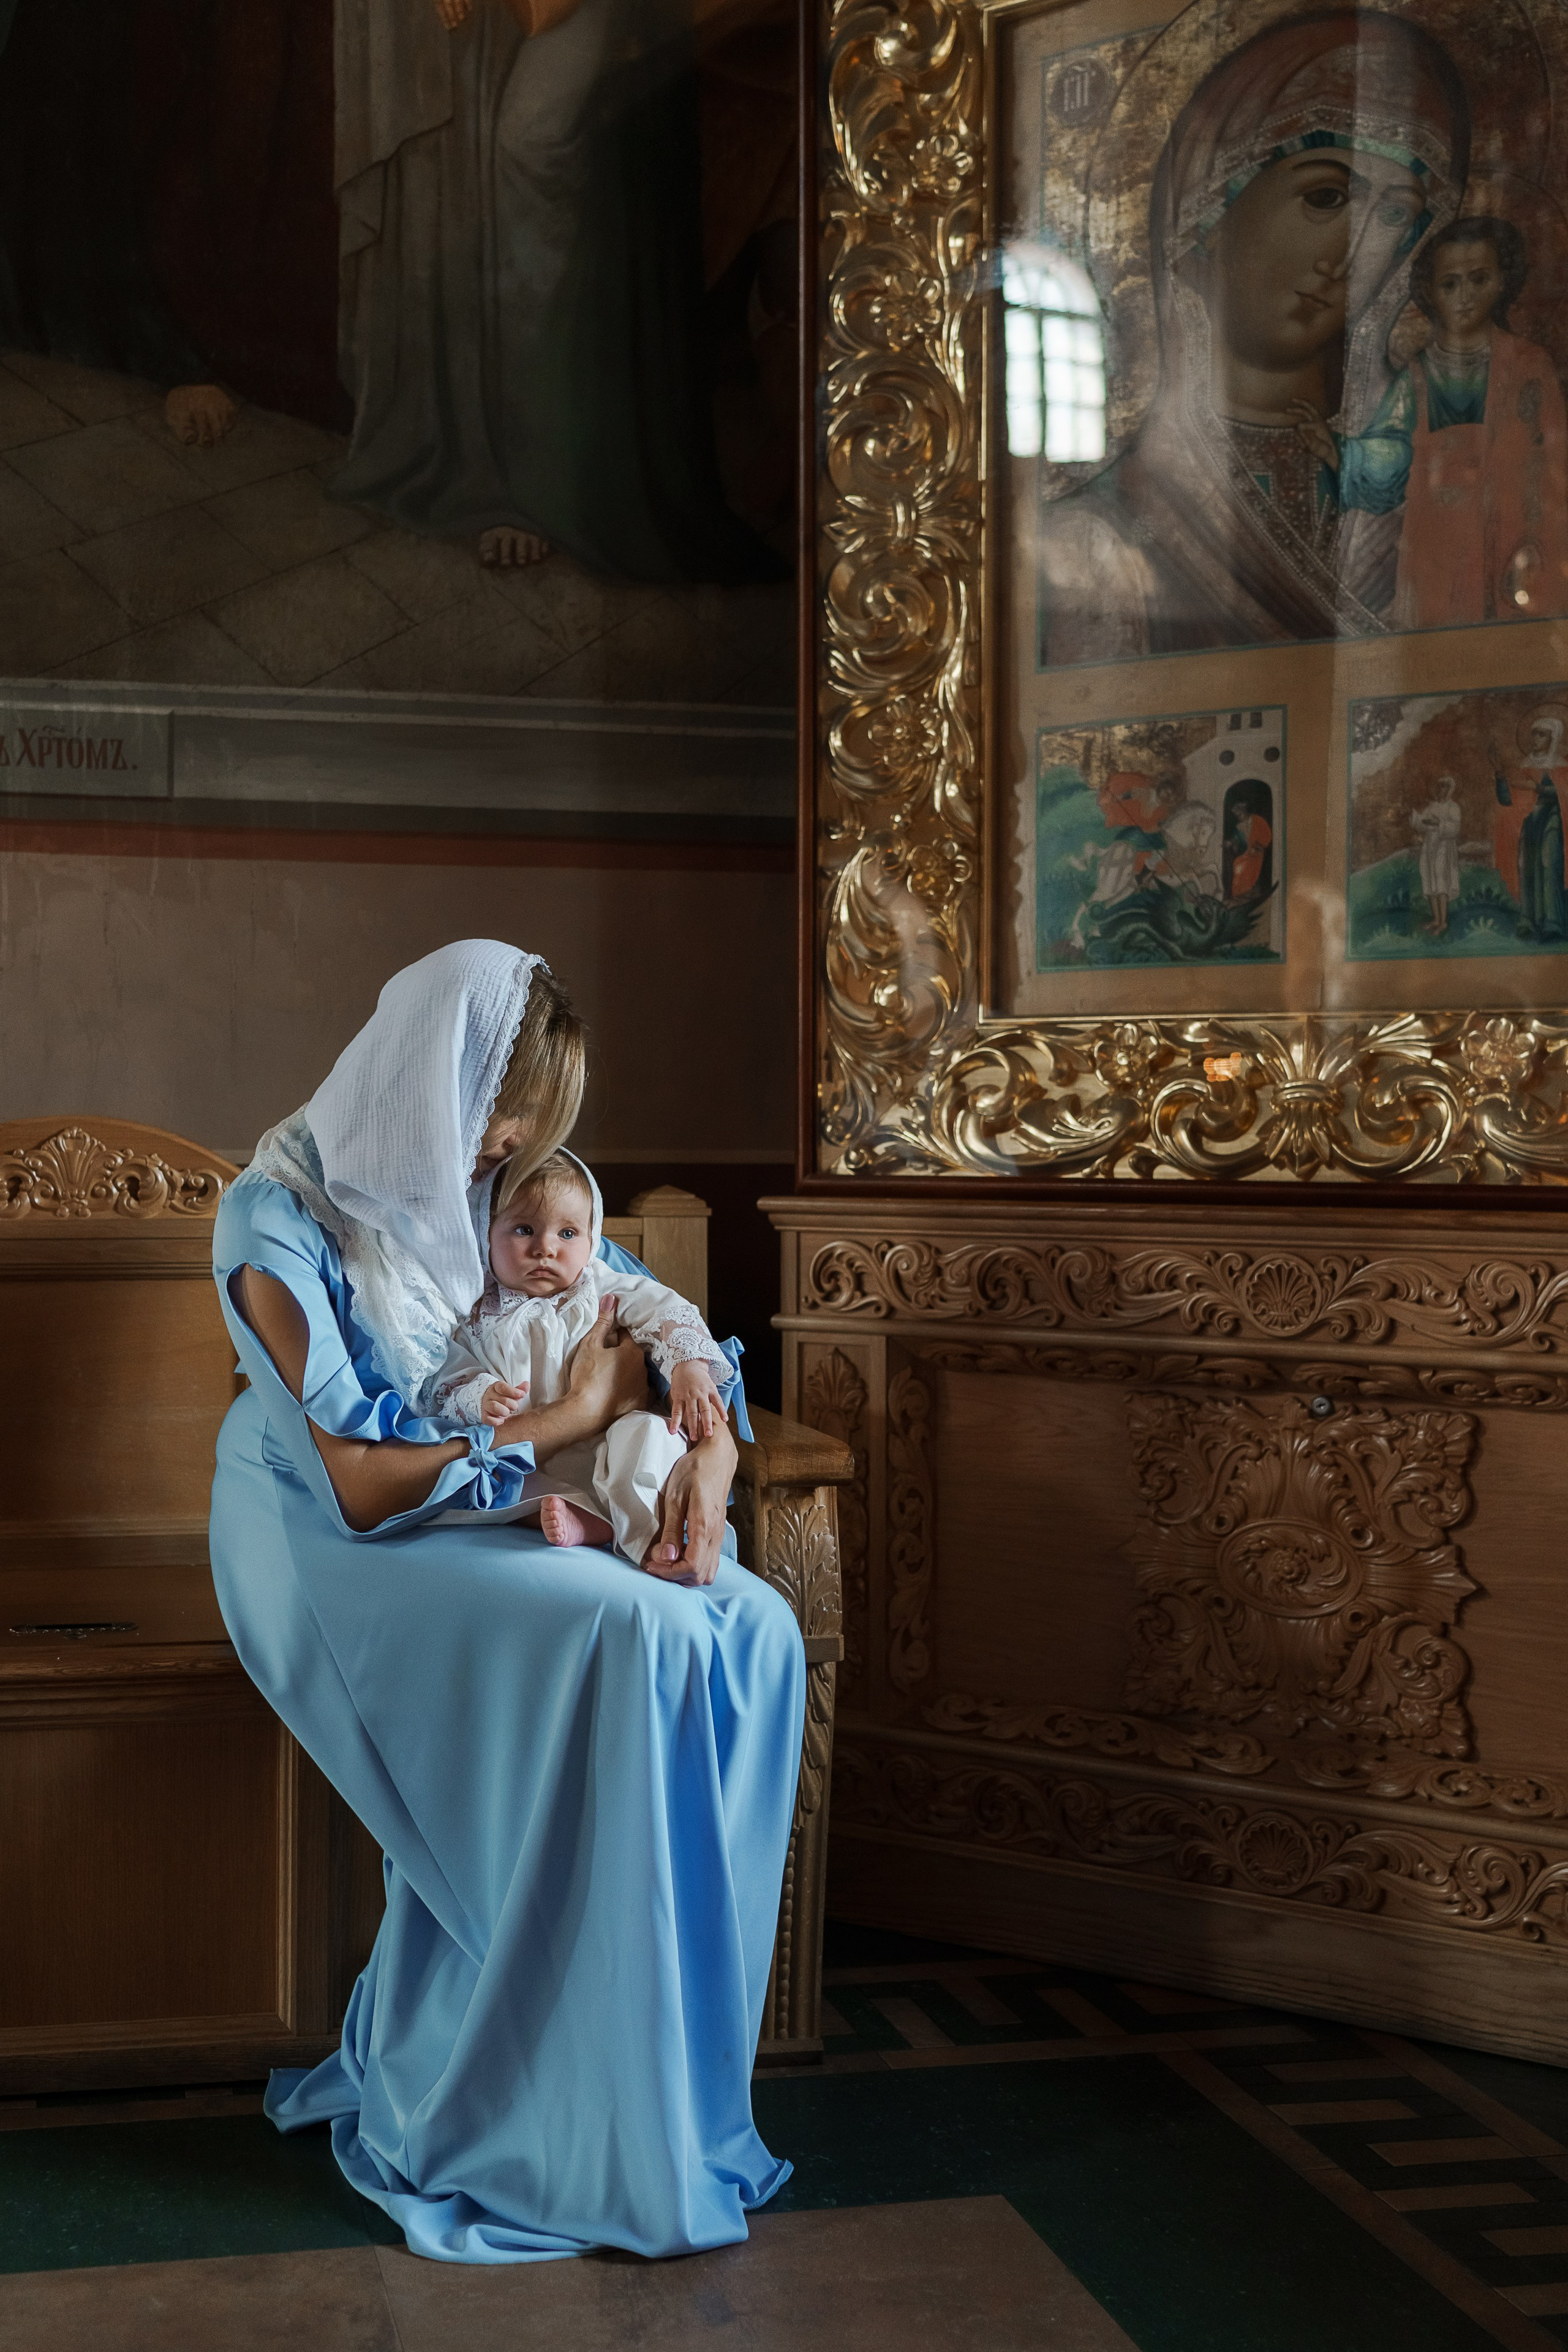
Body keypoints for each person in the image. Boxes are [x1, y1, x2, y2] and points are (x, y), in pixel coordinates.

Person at [208, 938, 804, 2261]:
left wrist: (708, 1444)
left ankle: (658, 2090)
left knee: (752, 1626)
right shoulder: (274, 1221)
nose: (505, 1156)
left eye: (525, 1134)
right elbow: (358, 1480)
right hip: (328, 1530)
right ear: (431, 1078)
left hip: (495, 1485)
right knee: (626, 1630)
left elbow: (616, 1307)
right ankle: (528, 2093)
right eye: (496, 1120)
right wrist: (574, 1419)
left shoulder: (472, 1197)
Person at [1039, 9, 1469, 663]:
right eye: (1325, 198)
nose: (1350, 256)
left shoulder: (1429, 483)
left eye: (1391, 215)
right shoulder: (1094, 539)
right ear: (1207, 211)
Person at [433, 1147, 734, 1563]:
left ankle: (621, 1524)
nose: (545, 1248)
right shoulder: (477, 1311)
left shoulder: (599, 1288)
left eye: (568, 1234)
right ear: (486, 1234)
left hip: (609, 1444)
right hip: (536, 1450)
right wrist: (478, 1393)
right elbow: (447, 1369)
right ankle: (580, 1518)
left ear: (592, 1240)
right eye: (523, 1230)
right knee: (496, 1476)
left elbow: (665, 1310)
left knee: (650, 1436)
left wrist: (689, 1366)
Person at [1294, 216, 1568, 625]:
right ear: (1432, 293)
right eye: (1450, 284)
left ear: (1502, 282)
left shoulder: (1529, 366)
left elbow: (1556, 460)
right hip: (1437, 546)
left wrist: (1540, 541)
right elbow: (1392, 455)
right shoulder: (1417, 378)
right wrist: (1337, 450)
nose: (1465, 297)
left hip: (1515, 540)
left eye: (1479, 279)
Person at [1491, 710, 1568, 933]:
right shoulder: (1525, 765)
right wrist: (1500, 776)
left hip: (1554, 820)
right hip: (1530, 821)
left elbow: (1563, 793)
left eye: (1541, 735)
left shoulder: (1562, 766)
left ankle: (1553, 922)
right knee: (1527, 866)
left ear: (1553, 738)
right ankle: (1529, 920)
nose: (1535, 739)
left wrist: (1537, 788)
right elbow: (1508, 801)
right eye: (1534, 734)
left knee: (1548, 864)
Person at [1409, 775, 1462, 934]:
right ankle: (1436, 919)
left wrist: (1438, 824)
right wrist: (1414, 816)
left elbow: (1454, 829)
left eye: (1445, 787)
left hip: (1444, 847)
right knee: (1429, 879)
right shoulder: (1432, 807)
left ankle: (1443, 922)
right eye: (1440, 787)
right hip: (1429, 846)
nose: (1442, 790)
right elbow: (1421, 825)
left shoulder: (1453, 807)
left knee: (1440, 881)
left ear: (1450, 789)